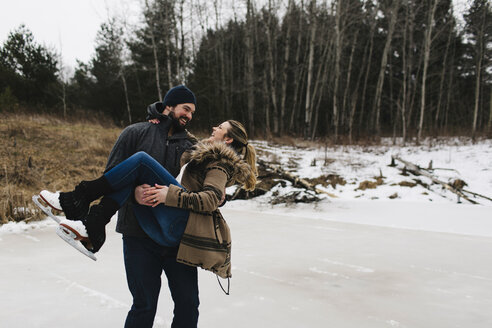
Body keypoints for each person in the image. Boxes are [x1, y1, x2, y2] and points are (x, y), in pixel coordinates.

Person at [41, 117, 257, 328]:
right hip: (166, 225)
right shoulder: (207, 154)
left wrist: (169, 196)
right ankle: (92, 226)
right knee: (133, 175)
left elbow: (210, 199)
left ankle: (76, 201)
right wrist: (162, 115)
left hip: (179, 224)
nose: (213, 128)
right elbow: (185, 132)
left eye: (219, 128)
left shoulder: (220, 163)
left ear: (228, 139)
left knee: (141, 161)